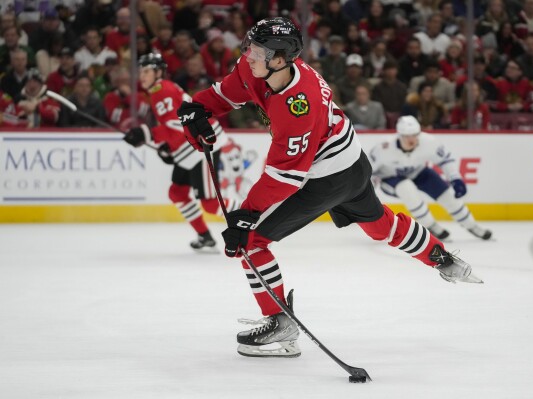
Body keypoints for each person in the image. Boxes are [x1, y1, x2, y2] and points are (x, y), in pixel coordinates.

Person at [176, 17, 483, 359]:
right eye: (250, 46)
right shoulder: (258, 68)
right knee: (379, 224)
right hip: (352, 163)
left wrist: (247, 214)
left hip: (325, 178)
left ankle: (281, 324)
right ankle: (440, 257)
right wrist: (197, 108)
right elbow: (227, 92)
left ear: (279, 59)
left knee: (250, 240)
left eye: (257, 50)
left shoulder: (299, 105)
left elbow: (284, 177)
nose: (248, 54)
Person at [122, 53, 238, 252]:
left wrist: (145, 133)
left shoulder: (161, 90)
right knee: (177, 192)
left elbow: (176, 126)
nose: (142, 75)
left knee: (210, 204)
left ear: (158, 72)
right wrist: (167, 147)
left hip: (201, 146)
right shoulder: (161, 90)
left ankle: (254, 215)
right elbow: (177, 127)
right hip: (190, 147)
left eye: (147, 71)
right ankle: (205, 237)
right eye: (141, 71)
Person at [370, 115, 492, 241]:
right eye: (407, 136)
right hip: (390, 178)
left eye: (415, 135)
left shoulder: (429, 142)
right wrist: (369, 186)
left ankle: (472, 225)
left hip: (418, 171)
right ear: (399, 135)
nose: (412, 139)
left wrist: (455, 178)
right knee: (407, 188)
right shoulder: (383, 148)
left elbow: (445, 160)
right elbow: (367, 170)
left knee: (448, 196)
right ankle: (430, 225)